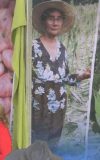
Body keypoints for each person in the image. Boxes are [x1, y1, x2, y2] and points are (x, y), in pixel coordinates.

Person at [31, 0, 91, 150]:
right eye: (51, 18)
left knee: (53, 146)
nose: (55, 22)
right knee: (37, 146)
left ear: (62, 22)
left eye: (59, 19)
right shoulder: (33, 46)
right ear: (44, 21)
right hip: (39, 105)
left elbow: (64, 78)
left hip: (59, 105)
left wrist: (80, 76)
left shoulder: (62, 49)